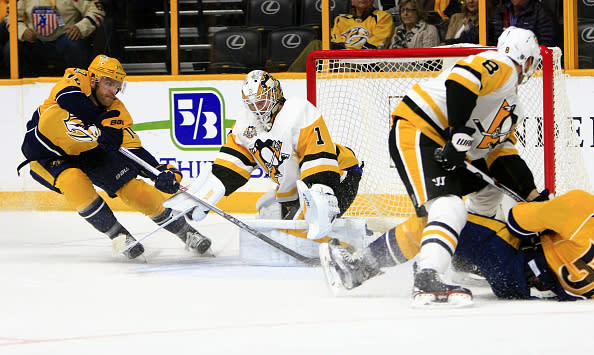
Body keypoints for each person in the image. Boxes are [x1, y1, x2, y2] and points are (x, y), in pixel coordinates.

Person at [356, 26, 544, 307]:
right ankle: (428, 276)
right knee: (449, 206)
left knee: (482, 194)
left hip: (444, 144)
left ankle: (358, 266)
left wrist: (533, 197)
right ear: (525, 57)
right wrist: (459, 132)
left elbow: (502, 158)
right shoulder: (502, 65)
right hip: (419, 130)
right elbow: (460, 80)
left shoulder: (512, 105)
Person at [17, 54, 212, 259]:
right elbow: (68, 98)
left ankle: (186, 232)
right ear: (93, 80)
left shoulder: (116, 112)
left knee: (136, 190)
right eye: (108, 83)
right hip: (47, 156)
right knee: (74, 182)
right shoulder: (76, 79)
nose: (113, 90)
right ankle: (118, 236)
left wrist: (161, 173)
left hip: (88, 153)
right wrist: (99, 122)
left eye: (117, 85)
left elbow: (134, 151)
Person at [164, 70, 363, 243]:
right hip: (298, 188)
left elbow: (317, 155)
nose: (257, 108)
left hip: (337, 176)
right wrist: (207, 192)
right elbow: (232, 165)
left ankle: (345, 248)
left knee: (300, 232)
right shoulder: (245, 124)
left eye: (262, 100)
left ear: (275, 93)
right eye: (251, 104)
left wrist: (320, 191)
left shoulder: (299, 111)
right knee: (280, 228)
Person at [320, 189, 594, 301]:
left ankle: (356, 269)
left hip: (511, 266)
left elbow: (516, 222)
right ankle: (464, 263)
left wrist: (542, 207)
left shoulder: (582, 204)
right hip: (535, 290)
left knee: (436, 221)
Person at [4, 0, 105, 77]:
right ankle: (21, 86)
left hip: (64, 41)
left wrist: (80, 28)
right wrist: (23, 31)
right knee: (12, 47)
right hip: (35, 42)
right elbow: (10, 16)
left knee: (74, 45)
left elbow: (97, 11)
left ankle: (79, 83)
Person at [287, 0, 394, 72]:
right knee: (316, 45)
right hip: (340, 60)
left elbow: (374, 47)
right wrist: (341, 57)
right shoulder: (341, 20)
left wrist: (348, 58)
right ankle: (288, 80)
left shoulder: (383, 17)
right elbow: (334, 44)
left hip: (366, 64)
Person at [487, 0, 557, 47]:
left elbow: (546, 46)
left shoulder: (542, 14)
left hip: (530, 65)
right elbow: (489, 43)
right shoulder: (498, 12)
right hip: (501, 63)